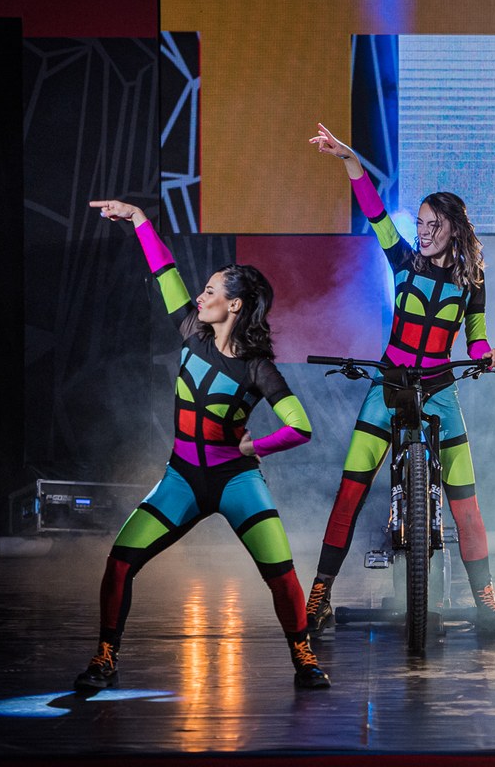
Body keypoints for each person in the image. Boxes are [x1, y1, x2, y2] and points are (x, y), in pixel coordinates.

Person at [73, 199, 329, 691]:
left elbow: (300, 427)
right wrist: (139, 220)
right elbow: (164, 271)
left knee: (281, 574)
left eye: (210, 290)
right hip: (182, 478)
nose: (200, 295)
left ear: (234, 305)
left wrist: (255, 449)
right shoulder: (192, 330)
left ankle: (303, 656)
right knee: (120, 562)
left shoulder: (257, 367)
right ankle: (105, 657)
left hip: (236, 482)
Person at [304, 124, 495, 637]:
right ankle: (319, 596)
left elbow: (476, 340)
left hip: (441, 389)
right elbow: (373, 208)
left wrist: (491, 356)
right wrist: (349, 158)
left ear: (452, 228)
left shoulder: (472, 280)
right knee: (349, 492)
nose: (422, 231)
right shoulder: (402, 258)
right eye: (419, 222)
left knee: (466, 504)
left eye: (431, 224)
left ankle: (486, 602)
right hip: (389, 384)